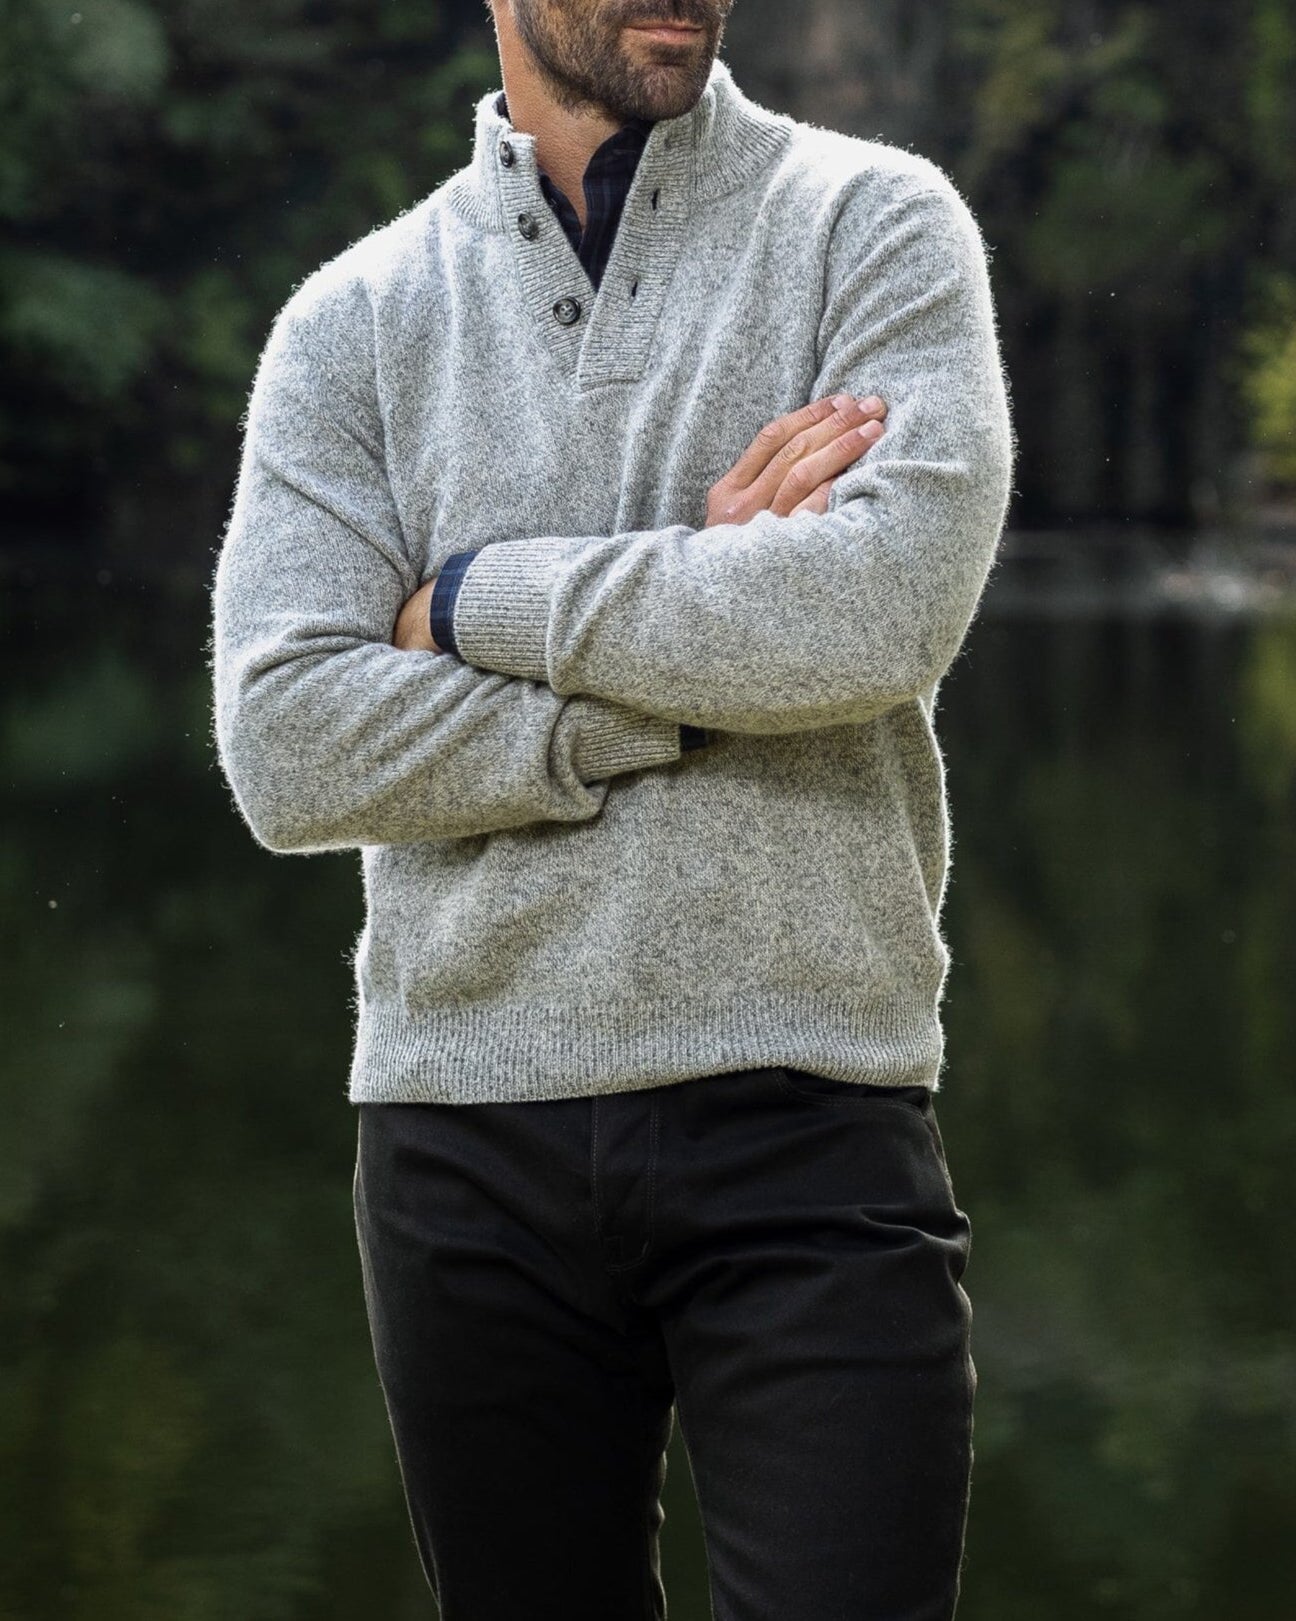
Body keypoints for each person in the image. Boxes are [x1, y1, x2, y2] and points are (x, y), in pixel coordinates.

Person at [211, 1, 1016, 1615]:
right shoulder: (352, 322)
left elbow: (876, 612)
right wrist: (690, 651)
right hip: (463, 1137)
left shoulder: (874, 225)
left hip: (810, 1115)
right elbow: (290, 745)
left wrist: (464, 600)